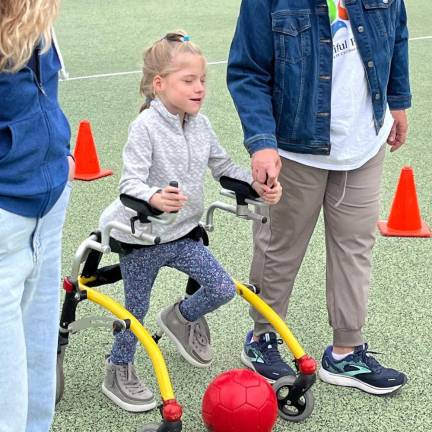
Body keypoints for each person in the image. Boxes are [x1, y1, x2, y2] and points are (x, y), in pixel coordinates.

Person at [227, 0, 410, 395]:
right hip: (295, 147)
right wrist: (261, 142)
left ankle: (346, 351)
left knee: (355, 246)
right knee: (280, 246)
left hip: (364, 143)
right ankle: (263, 339)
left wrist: (398, 102)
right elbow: (248, 71)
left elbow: (396, 33)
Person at [98, 31, 282, 412]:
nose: (200, 88)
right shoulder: (145, 127)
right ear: (160, 84)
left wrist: (258, 184)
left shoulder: (201, 124)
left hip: (183, 234)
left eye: (202, 80)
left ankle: (180, 318)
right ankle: (117, 367)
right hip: (143, 236)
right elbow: (129, 183)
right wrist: (153, 197)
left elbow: (224, 168)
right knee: (135, 311)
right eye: (189, 81)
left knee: (221, 288)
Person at [0, 1, 74, 431]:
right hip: (7, 213)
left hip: (46, 207)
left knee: (35, 375)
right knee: (6, 393)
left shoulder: (35, 18)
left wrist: (59, 161)